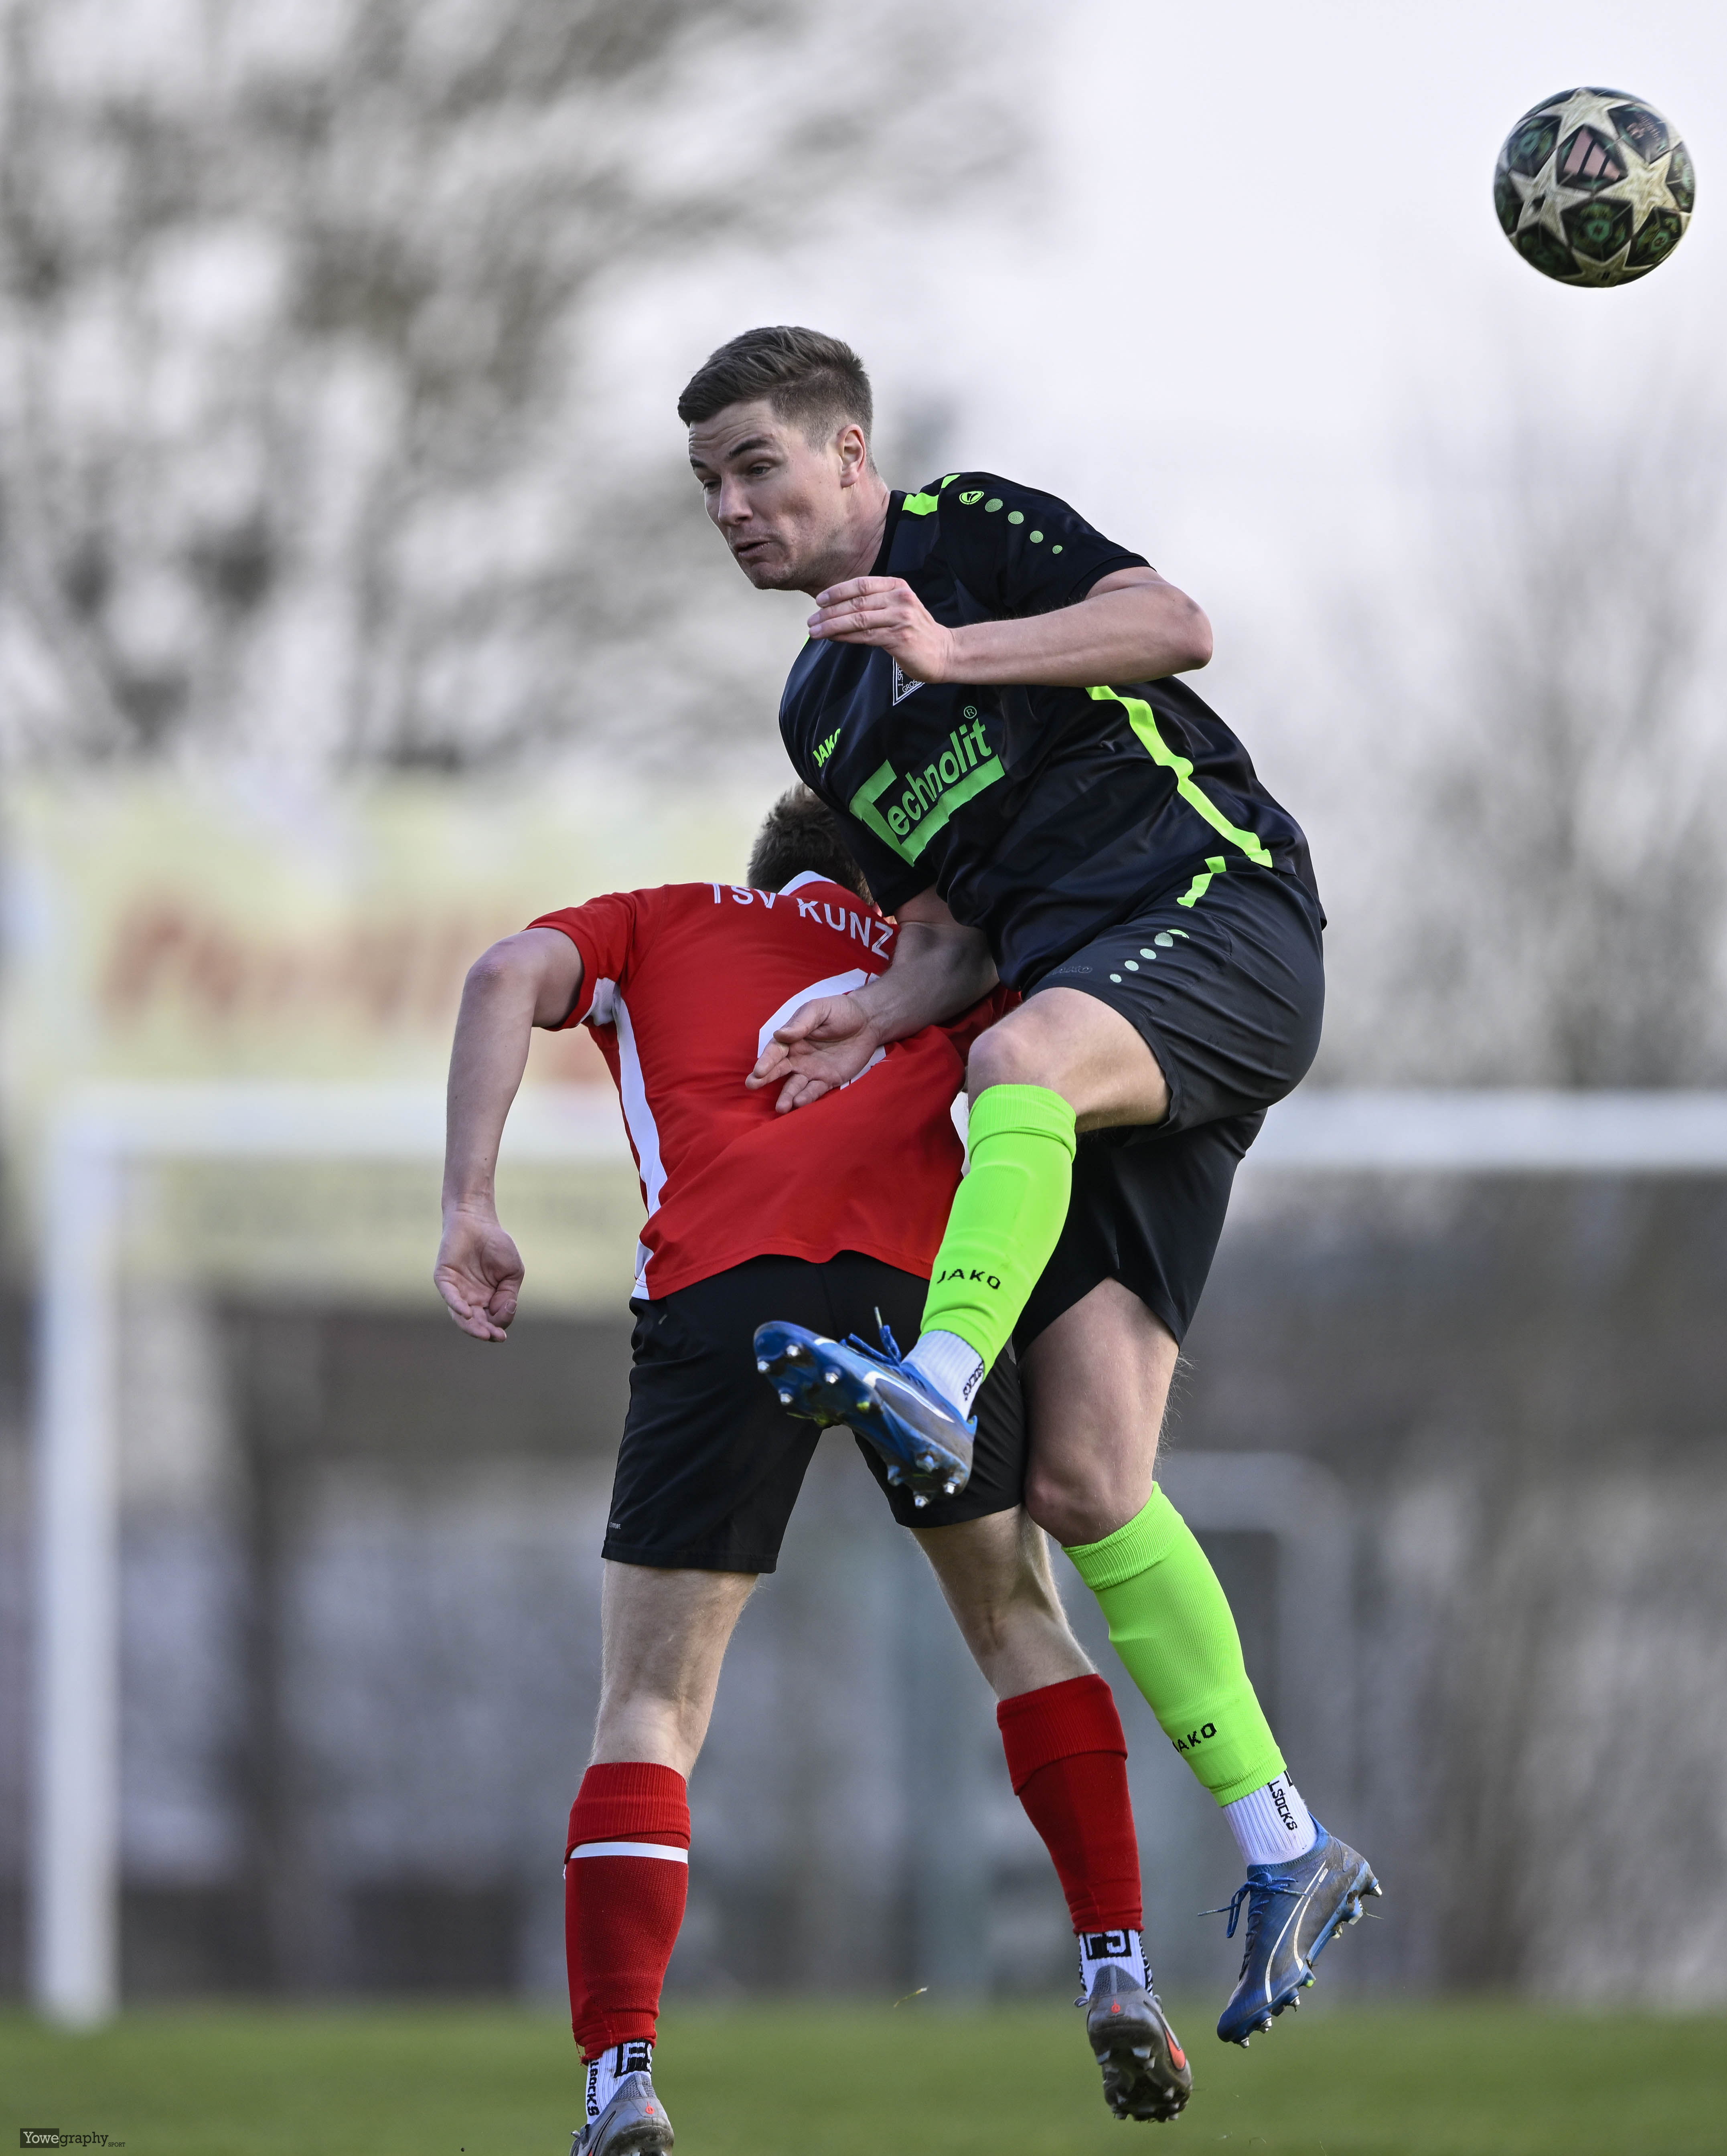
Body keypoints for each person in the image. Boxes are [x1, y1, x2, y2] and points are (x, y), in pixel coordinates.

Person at [678, 324, 1377, 2047]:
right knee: (1083, 1478)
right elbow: (953, 929)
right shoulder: (818, 707)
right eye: (708, 484)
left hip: (1215, 911)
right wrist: (872, 1006)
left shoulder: (966, 533)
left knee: (1019, 1062)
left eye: (758, 464)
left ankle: (938, 1368)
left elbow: (1174, 623)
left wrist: (952, 641)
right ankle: (1285, 1839)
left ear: (851, 452)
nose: (733, 506)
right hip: (1090, 1017)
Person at [434, 790, 1194, 2152]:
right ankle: (1118, 1965)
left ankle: (621, 2078)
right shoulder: (944, 965)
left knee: (652, 1704)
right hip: (924, 1297)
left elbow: (500, 975)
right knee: (1018, 1619)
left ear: (769, 872)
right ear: (891, 883)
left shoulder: (659, 920)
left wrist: (470, 1205)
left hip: (726, 1282)